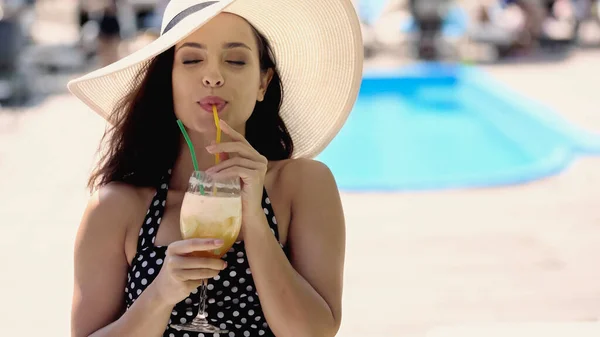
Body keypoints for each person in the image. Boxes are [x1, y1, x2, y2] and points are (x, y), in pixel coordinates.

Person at [67, 0, 363, 336]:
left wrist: (254, 218)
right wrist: (160, 294)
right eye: (192, 60)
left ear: (263, 83)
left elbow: (313, 332)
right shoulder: (116, 207)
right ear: (169, 80)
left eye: (235, 60)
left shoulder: (304, 184)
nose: (212, 76)